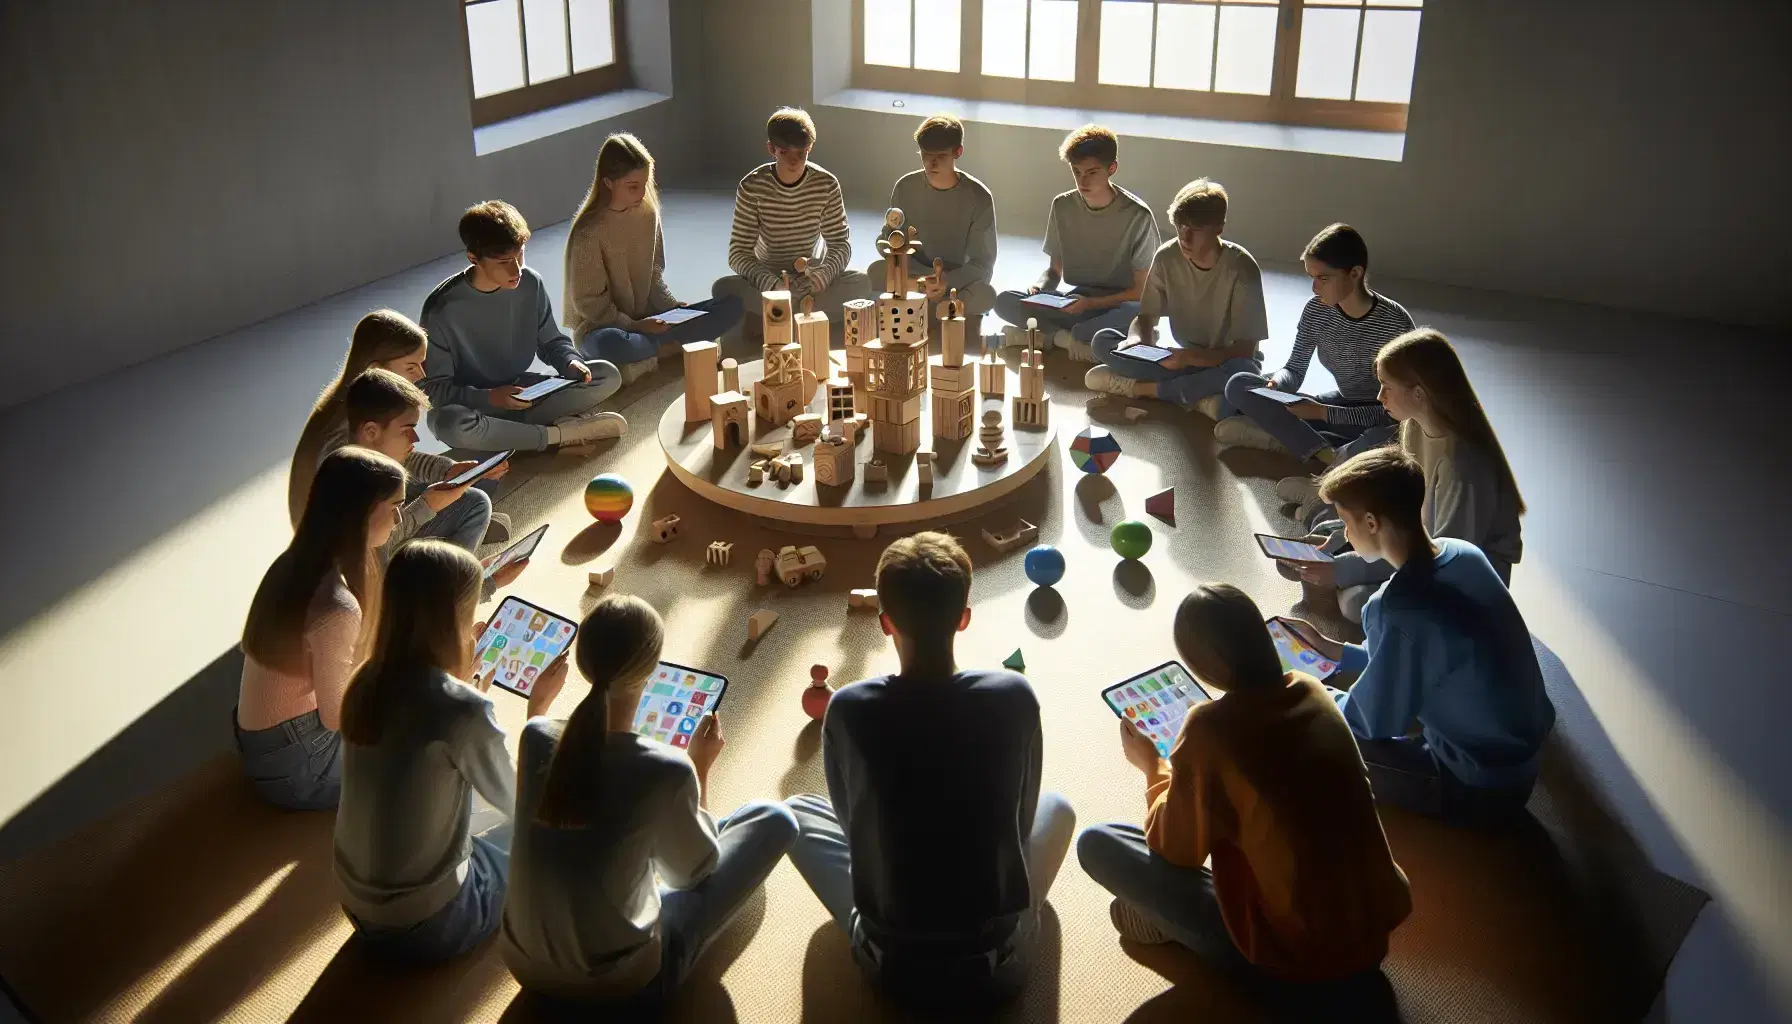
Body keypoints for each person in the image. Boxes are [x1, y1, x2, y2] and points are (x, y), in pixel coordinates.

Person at [1078, 585, 1411, 1000]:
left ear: (1203, 666)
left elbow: (1173, 848)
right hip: (1370, 939)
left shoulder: (1208, 730)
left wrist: (1153, 767)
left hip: (1296, 964)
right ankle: (1165, 919)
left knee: (1097, 843)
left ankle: (1180, 929)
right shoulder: (1314, 691)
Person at [787, 533, 1076, 1008]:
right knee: (1057, 809)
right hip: (996, 967)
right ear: (963, 619)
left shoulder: (849, 708)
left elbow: (849, 823)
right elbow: (1021, 823)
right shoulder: (1015, 696)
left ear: (884, 624)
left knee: (798, 812)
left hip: (893, 969)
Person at [500, 595, 798, 1010]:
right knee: (776, 817)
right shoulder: (668, 769)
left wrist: (539, 707)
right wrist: (700, 767)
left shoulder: (534, 737)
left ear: (584, 662)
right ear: (652, 670)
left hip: (527, 971)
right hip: (625, 990)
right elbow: (694, 875)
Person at [1281, 448, 1554, 825]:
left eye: (1345, 522)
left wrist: (1308, 695)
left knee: (1309, 724)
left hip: (1479, 787)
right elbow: (1419, 653)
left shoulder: (1398, 608)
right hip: (1521, 761)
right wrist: (1334, 650)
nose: (1345, 533)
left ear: (1372, 523)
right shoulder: (1464, 552)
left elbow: (1369, 721)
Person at [335, 540, 565, 962]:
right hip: (433, 924)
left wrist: (460, 685)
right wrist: (538, 712)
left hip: (357, 909)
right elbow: (524, 805)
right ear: (454, 621)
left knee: (461, 802)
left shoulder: (365, 682)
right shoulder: (462, 711)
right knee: (562, 817)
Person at [1282, 328, 1526, 623]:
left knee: (1360, 602)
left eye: (1386, 386)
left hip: (1461, 580)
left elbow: (1439, 559)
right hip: (1416, 537)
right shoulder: (1413, 426)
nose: (1379, 396)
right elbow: (1397, 502)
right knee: (1330, 530)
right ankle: (1327, 543)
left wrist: (1343, 567)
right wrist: (1337, 538)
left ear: (1419, 393)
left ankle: (1331, 553)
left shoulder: (1463, 467)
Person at [236, 447, 405, 810]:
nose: (399, 519)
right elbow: (337, 717)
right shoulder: (336, 607)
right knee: (425, 728)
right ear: (362, 510)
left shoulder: (293, 564)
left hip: (264, 747)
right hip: (298, 772)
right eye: (394, 506)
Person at [420, 200, 627, 453]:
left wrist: (570, 362)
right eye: (504, 261)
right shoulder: (441, 308)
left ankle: (506, 436)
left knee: (605, 374)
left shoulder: (531, 283)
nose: (517, 268)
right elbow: (434, 389)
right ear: (473, 258)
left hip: (523, 392)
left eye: (520, 254)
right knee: (449, 424)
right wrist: (490, 398)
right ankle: (556, 434)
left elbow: (552, 342)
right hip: (474, 405)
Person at [1217, 224, 1413, 462]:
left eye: (1323, 278)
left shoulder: (1395, 323)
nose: (1314, 288)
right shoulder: (1315, 311)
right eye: (1312, 277)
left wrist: (1322, 412)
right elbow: (1295, 369)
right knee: (1239, 384)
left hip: (1382, 415)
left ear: (1355, 273)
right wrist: (1275, 384)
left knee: (1387, 440)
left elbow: (1397, 412)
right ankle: (1325, 451)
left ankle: (1294, 442)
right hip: (1340, 404)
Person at [563, 133, 744, 388]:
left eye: (644, 184)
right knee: (610, 345)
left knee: (733, 305)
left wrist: (673, 309)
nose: (641, 193)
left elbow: (654, 275)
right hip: (605, 328)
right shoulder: (588, 231)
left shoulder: (648, 215)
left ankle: (653, 354)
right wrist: (636, 325)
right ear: (608, 183)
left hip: (652, 320)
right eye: (632, 186)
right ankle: (668, 348)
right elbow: (589, 304)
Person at [1083, 179, 1268, 419]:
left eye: (1196, 230)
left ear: (1219, 227)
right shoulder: (1167, 257)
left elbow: (1244, 350)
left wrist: (1190, 358)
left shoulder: (1242, 268)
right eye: (1180, 226)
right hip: (1183, 359)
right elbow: (1146, 317)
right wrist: (1137, 342)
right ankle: (1200, 397)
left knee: (1243, 374)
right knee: (1102, 340)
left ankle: (1143, 389)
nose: (1185, 238)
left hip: (1224, 361)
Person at [991, 124, 1157, 361]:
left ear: (1112, 169)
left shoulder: (1138, 216)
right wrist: (1040, 287)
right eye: (1076, 171)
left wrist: (1090, 304)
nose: (1082, 180)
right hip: (1076, 300)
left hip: (1119, 303)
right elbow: (1053, 270)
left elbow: (1141, 292)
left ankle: (1045, 336)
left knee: (1136, 315)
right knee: (1004, 300)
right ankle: (1068, 341)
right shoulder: (1062, 206)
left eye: (1091, 172)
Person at [712, 108, 870, 334]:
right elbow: (738, 252)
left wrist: (821, 277)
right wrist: (771, 284)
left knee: (861, 282)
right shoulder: (752, 187)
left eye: (802, 153)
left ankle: (776, 317)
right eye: (785, 152)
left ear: (810, 148)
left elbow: (840, 244)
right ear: (771, 149)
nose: (794, 161)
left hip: (810, 280)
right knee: (722, 288)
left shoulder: (826, 184)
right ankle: (802, 315)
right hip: (769, 278)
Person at [326, 368, 511, 557]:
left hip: (390, 516)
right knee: (476, 504)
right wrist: (426, 506)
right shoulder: (346, 485)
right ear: (371, 431)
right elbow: (379, 544)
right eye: (407, 430)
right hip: (374, 555)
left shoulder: (363, 444)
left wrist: (449, 469)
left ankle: (448, 544)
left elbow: (408, 459)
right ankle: (455, 580)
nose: (415, 438)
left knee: (472, 497)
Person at [287, 309, 433, 528]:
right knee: (471, 504)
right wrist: (429, 506)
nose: (421, 375)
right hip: (343, 539)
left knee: (455, 491)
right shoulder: (341, 434)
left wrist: (447, 470)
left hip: (369, 498)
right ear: (376, 369)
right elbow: (357, 521)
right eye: (411, 367)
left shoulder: (357, 405)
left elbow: (389, 456)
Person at [867, 114, 997, 333]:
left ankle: (924, 308)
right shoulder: (905, 187)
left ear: (958, 152)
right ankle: (941, 311)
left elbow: (983, 263)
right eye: (926, 155)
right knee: (874, 272)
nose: (931, 163)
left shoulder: (979, 196)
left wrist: (946, 281)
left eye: (941, 156)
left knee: (987, 294)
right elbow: (885, 239)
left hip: (953, 280)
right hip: (913, 276)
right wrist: (913, 275)